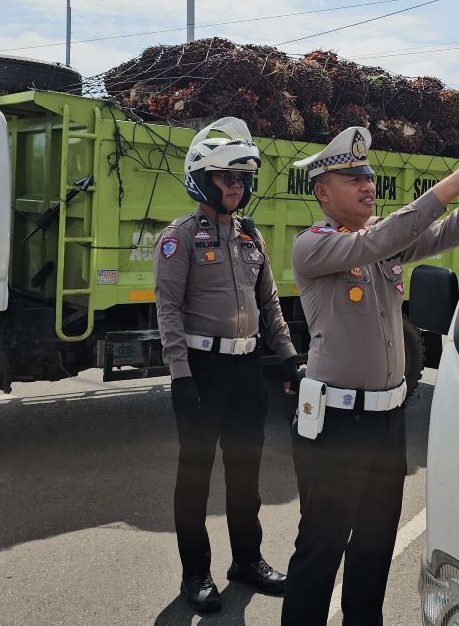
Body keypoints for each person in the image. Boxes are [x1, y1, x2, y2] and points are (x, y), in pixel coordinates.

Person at [280, 127, 459, 625]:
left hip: (386, 422)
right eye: (353, 176)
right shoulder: (314, 247)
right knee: (322, 545)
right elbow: (387, 235)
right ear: (322, 192)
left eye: (369, 176)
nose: (366, 184)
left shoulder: (380, 244)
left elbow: (446, 231)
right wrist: (448, 186)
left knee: (376, 545)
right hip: (336, 423)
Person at [154, 117, 302, 614]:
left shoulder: (251, 238)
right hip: (201, 371)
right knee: (194, 477)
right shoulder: (180, 238)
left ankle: (248, 561)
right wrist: (180, 375)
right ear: (202, 179)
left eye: (241, 178)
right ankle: (195, 572)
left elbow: (271, 305)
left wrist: (288, 360)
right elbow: (168, 309)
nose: (236, 187)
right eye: (226, 177)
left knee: (246, 473)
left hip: (245, 373)